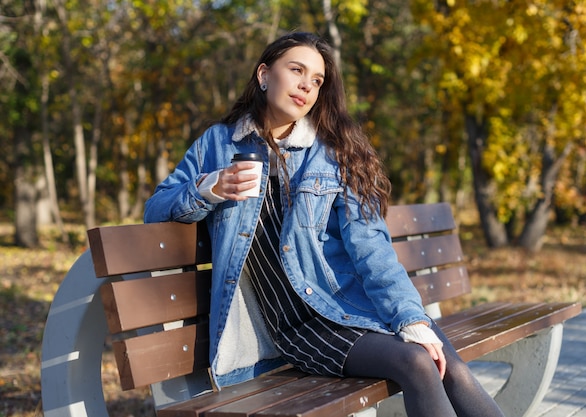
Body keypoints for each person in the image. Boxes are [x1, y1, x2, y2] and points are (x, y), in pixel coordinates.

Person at [144, 31, 504, 417]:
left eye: (317, 80)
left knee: (452, 368)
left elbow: (372, 248)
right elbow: (156, 209)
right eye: (296, 70)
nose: (306, 86)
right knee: (417, 363)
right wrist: (209, 187)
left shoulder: (333, 153)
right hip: (302, 325)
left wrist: (410, 317)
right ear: (264, 75)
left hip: (352, 303)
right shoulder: (217, 143)